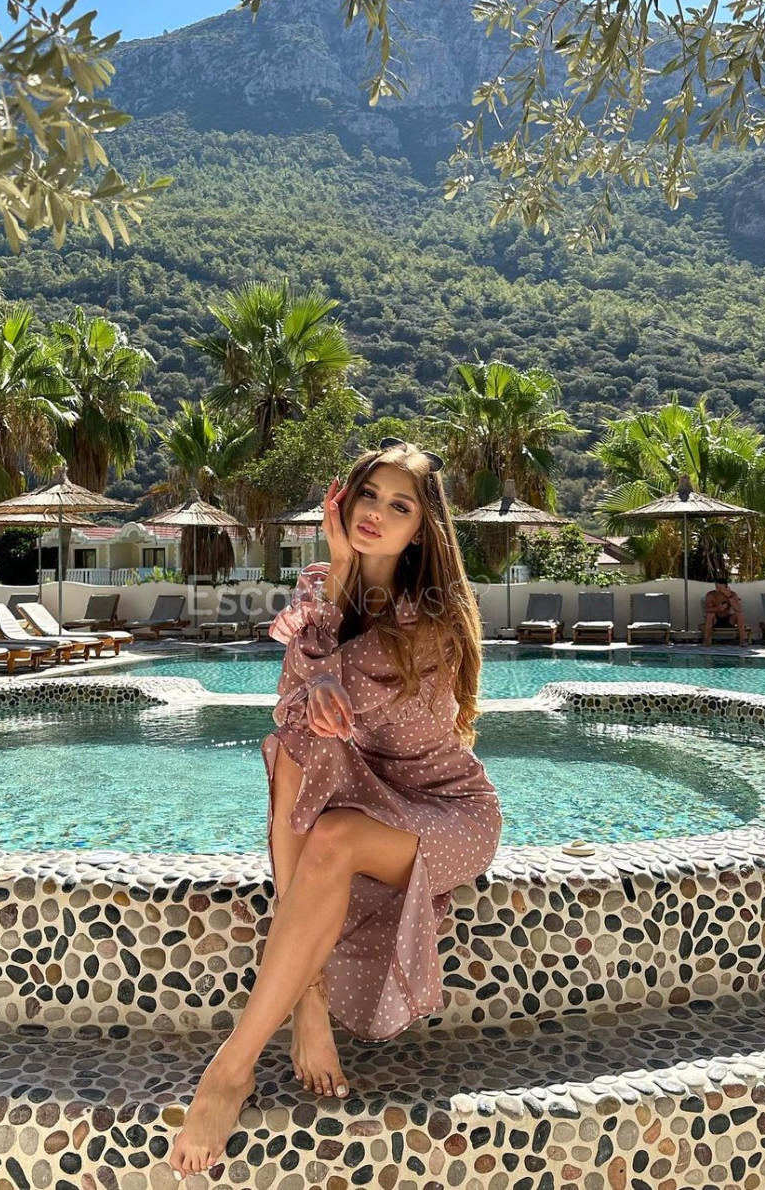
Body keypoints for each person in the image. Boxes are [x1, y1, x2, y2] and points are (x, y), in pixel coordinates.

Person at [168, 438, 503, 1177]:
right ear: (344, 501)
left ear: (423, 530)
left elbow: (367, 711)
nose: (376, 513)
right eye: (368, 495)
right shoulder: (323, 588)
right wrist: (339, 581)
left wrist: (329, 660)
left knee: (332, 824)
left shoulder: (432, 618)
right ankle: (307, 1000)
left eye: (399, 505)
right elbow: (295, 704)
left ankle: (231, 1068)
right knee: (292, 747)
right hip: (365, 795)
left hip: (445, 812)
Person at [703, 574, 747, 646]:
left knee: (739, 615)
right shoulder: (710, 595)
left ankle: (743, 640)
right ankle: (707, 641)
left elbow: (739, 609)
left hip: (728, 619)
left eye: (722, 589)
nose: (719, 591)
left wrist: (729, 597)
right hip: (715, 619)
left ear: (726, 588)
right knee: (709, 615)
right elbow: (707, 610)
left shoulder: (732, 594)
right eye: (718, 589)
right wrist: (717, 608)